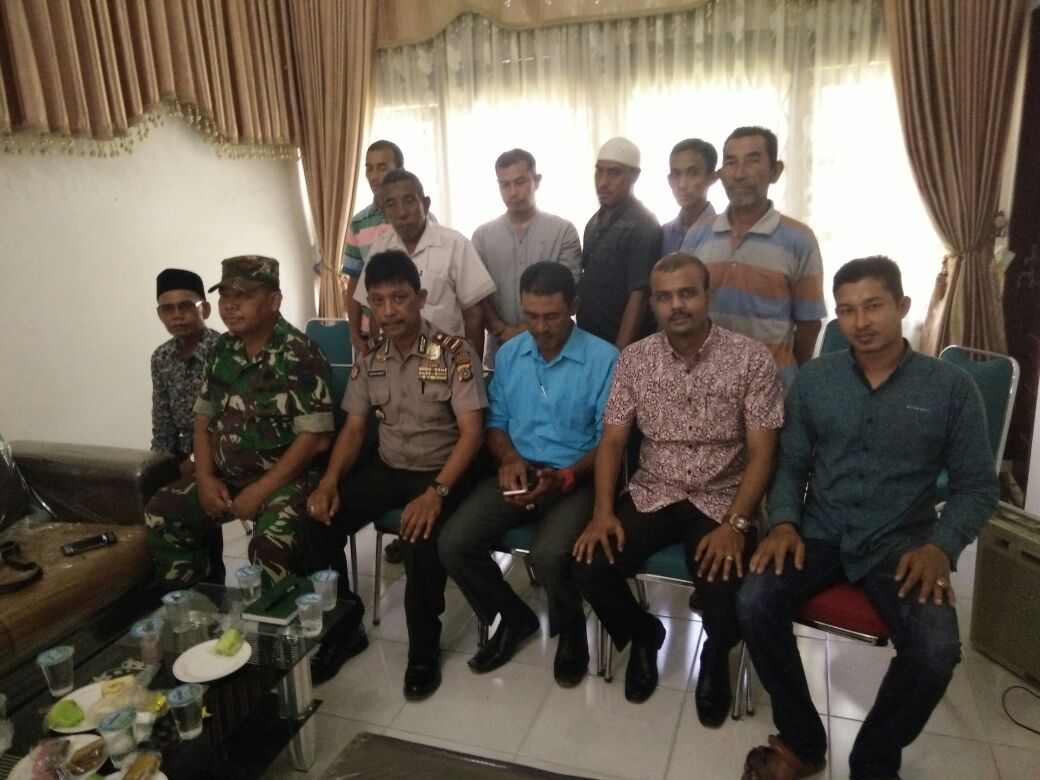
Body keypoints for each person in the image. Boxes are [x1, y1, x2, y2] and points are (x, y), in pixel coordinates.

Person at [737, 257, 997, 780]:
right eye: (847, 310)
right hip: (821, 531)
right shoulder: (816, 379)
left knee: (935, 651)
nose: (861, 322)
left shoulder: (950, 389)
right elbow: (791, 463)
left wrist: (941, 547)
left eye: (874, 306)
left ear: (902, 306)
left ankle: (874, 762)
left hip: (901, 544)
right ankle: (802, 742)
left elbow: (976, 486)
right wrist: (784, 522)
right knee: (754, 601)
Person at [573, 253, 784, 724]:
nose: (677, 306)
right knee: (588, 565)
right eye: (665, 297)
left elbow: (763, 454)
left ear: (708, 296)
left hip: (724, 496)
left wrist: (737, 524)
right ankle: (644, 634)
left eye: (687, 293)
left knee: (725, 584)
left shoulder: (751, 359)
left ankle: (714, 656)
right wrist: (602, 512)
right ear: (653, 304)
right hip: (655, 489)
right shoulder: (635, 360)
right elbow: (613, 442)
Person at [309, 250, 488, 701]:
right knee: (318, 522)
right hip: (390, 467)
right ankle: (345, 626)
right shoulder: (369, 358)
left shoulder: (454, 352)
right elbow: (354, 429)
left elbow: (472, 434)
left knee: (419, 538)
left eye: (400, 298)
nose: (389, 311)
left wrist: (436, 493)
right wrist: (329, 482)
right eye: (379, 301)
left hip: (445, 470)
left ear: (420, 298)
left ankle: (423, 651)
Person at [439, 262, 618, 687]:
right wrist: (509, 459)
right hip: (519, 470)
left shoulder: (605, 359)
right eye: (531, 316)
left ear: (573, 306)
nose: (540, 327)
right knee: (454, 543)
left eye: (551, 316)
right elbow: (496, 422)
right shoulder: (510, 354)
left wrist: (565, 476)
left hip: (576, 477)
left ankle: (571, 633)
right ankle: (514, 617)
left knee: (549, 554)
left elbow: (608, 443)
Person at [145, 256, 337, 591]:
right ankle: (199, 604)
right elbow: (203, 419)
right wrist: (205, 478)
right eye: (225, 296)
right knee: (163, 512)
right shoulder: (223, 349)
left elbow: (315, 439)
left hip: (288, 480)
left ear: (274, 300)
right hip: (228, 478)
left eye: (243, 296)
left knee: (269, 546)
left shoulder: (299, 353)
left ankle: (279, 618)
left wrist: (260, 491)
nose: (230, 306)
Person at [681, 126, 826, 391]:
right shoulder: (698, 234)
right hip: (705, 387)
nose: (739, 174)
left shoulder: (799, 240)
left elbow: (808, 325)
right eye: (730, 162)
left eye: (752, 161)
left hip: (771, 389)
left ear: (775, 171)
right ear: (721, 174)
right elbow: (684, 310)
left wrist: (789, 379)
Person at [354, 169, 496, 358]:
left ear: (426, 204)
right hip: (396, 362)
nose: (402, 212)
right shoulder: (379, 249)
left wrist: (471, 367)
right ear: (384, 211)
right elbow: (374, 313)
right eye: (391, 204)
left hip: (446, 363)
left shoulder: (455, 244)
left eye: (409, 201)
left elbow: (474, 314)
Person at [471, 149, 582, 366]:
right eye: (504, 185)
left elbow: (569, 289)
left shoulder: (563, 231)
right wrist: (500, 329)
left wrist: (520, 331)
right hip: (500, 347)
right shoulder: (482, 236)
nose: (513, 192)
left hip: (554, 345)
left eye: (520, 182)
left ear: (536, 180)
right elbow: (477, 293)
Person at [576, 137, 663, 350]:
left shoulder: (644, 225)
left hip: (622, 347)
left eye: (614, 173)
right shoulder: (593, 222)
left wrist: (620, 354)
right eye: (599, 172)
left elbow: (639, 296)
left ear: (635, 175)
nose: (603, 182)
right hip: (590, 342)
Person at [151, 269, 220, 477]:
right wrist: (157, 468)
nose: (177, 315)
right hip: (180, 456)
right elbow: (162, 423)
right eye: (168, 309)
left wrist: (193, 462)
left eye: (186, 306)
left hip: (222, 455)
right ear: (160, 314)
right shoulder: (161, 357)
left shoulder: (225, 352)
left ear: (205, 309)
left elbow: (231, 424)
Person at [661, 139, 718, 255]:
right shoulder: (663, 234)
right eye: (676, 174)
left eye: (693, 174)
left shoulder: (723, 232)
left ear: (712, 178)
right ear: (669, 180)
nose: (682, 185)